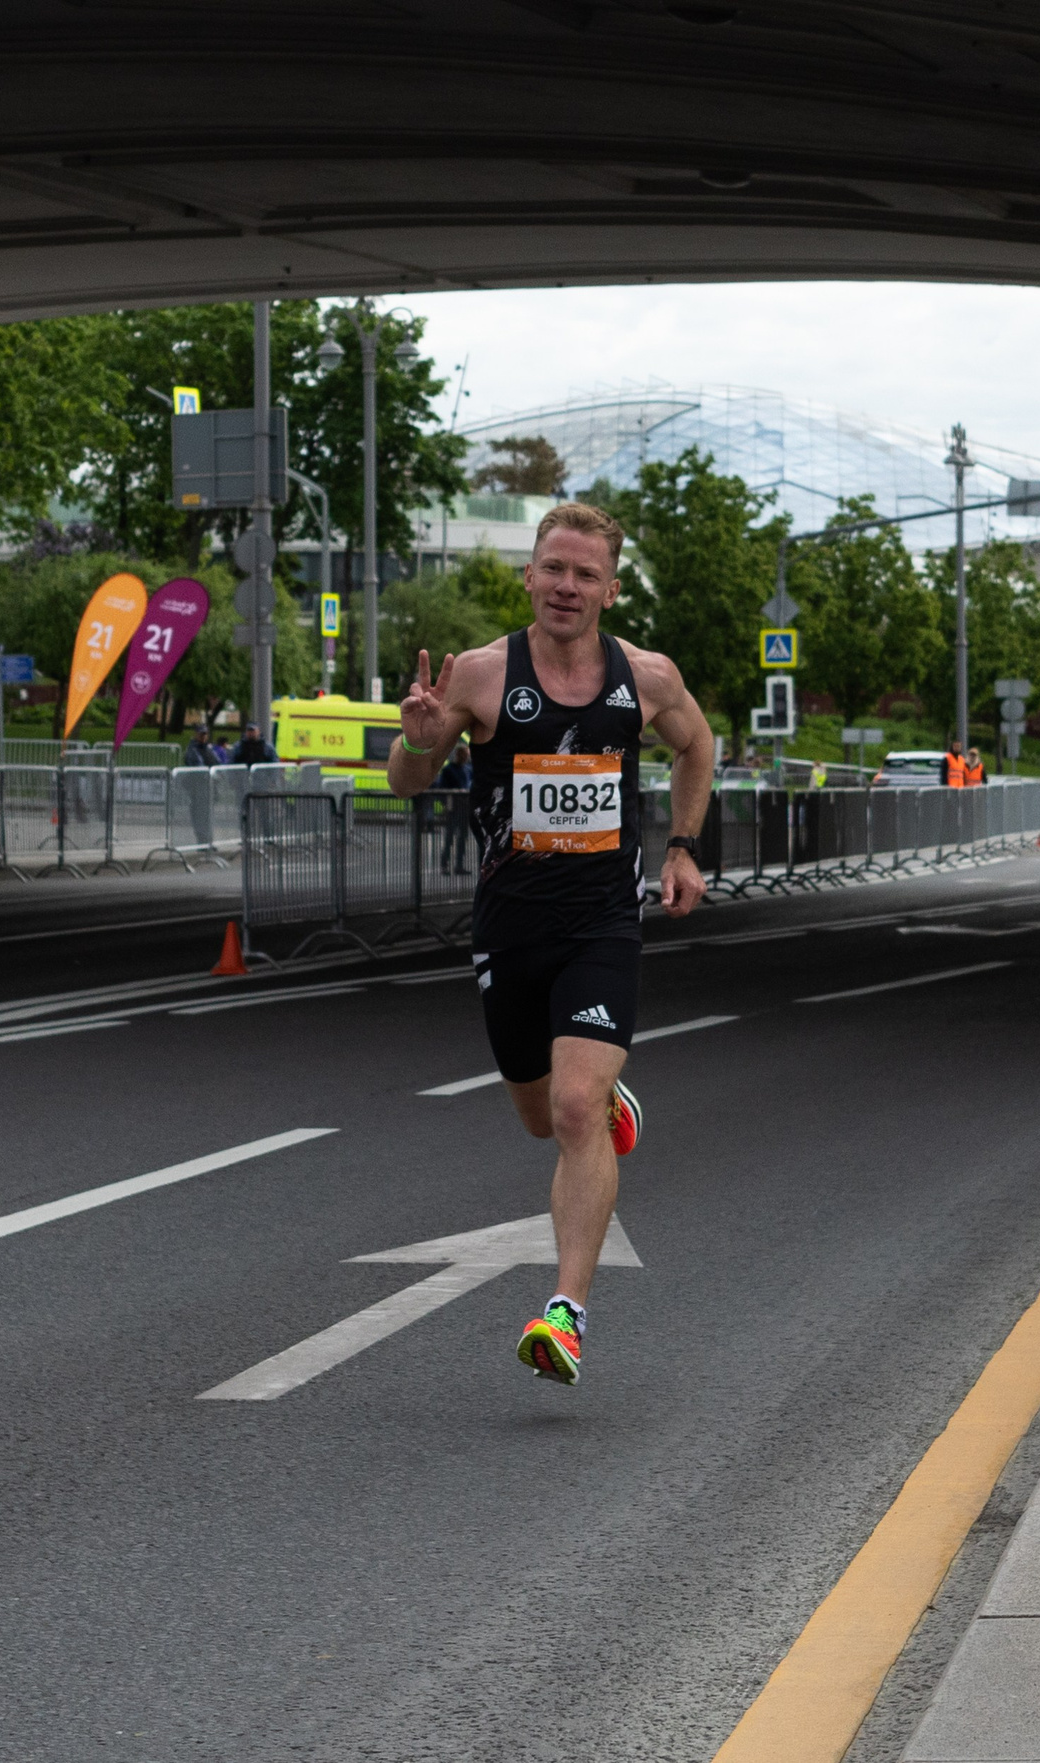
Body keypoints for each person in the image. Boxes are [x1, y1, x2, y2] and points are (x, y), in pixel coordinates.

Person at [384, 502, 715, 1389]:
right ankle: (604, 1103)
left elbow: (698, 746)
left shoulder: (647, 677)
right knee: (541, 1116)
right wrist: (417, 741)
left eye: (585, 574)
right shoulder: (482, 674)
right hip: (510, 928)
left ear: (611, 588)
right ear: (529, 575)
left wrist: (682, 848)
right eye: (554, 569)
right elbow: (407, 780)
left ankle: (565, 1312)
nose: (567, 586)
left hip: (602, 923)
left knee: (571, 1107)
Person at [434, 739, 474, 876]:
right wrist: (447, 804)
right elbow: (441, 789)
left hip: (464, 808)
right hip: (453, 808)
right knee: (449, 838)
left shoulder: (467, 769)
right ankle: (445, 865)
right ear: (458, 755)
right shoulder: (449, 770)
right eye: (464, 755)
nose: (466, 758)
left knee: (461, 838)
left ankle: (458, 865)